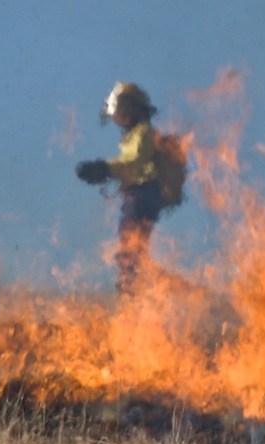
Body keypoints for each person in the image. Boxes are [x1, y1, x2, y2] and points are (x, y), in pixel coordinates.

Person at [76, 82, 186, 294]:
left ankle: (135, 288)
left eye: (120, 111)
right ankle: (138, 285)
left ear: (131, 109)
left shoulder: (144, 133)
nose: (117, 118)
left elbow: (134, 162)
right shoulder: (134, 134)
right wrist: (106, 171)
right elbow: (131, 163)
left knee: (131, 248)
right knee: (132, 249)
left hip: (143, 194)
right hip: (138, 194)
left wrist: (105, 169)